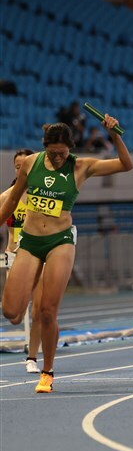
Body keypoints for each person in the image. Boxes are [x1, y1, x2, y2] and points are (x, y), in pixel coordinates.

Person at [0, 117, 133, 393]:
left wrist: (114, 135)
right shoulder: (30, 163)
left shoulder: (81, 165)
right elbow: (12, 200)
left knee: (47, 311)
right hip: (30, 240)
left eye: (62, 153)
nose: (58, 158)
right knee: (12, 312)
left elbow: (125, 164)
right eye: (53, 153)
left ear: (69, 148)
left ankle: (46, 372)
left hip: (60, 240)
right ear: (44, 147)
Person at [0, 149, 42, 373]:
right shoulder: (7, 197)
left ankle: (32, 357)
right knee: (14, 315)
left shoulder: (42, 196)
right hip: (14, 257)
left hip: (37, 254)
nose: (22, 168)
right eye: (18, 166)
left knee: (39, 309)